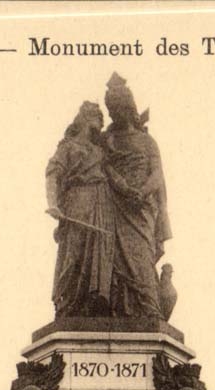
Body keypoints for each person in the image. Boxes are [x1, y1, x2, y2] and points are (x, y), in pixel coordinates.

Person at [102, 73, 171, 319]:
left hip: (141, 209)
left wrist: (140, 193)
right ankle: (118, 308)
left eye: (118, 108)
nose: (114, 114)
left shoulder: (147, 141)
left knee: (141, 258)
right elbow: (103, 167)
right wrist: (121, 186)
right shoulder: (107, 141)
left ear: (128, 107)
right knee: (113, 261)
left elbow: (157, 175)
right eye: (111, 110)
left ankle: (148, 307)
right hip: (115, 206)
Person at [45, 101, 115, 318]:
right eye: (97, 116)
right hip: (77, 202)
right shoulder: (68, 147)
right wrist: (53, 204)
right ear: (85, 118)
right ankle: (65, 302)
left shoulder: (99, 150)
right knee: (73, 255)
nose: (101, 122)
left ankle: (92, 302)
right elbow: (52, 174)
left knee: (98, 255)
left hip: (101, 203)